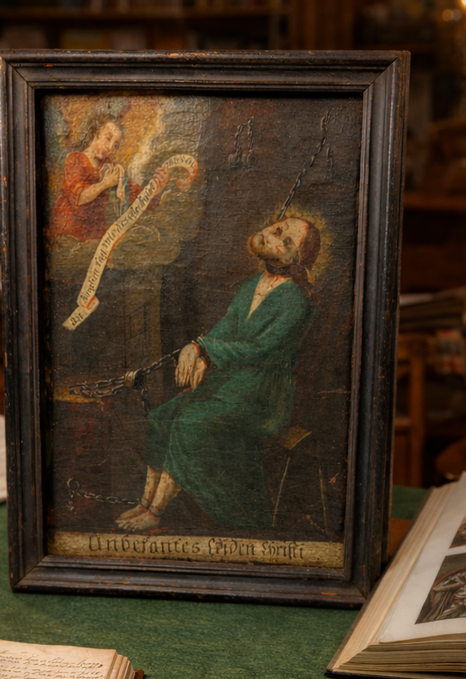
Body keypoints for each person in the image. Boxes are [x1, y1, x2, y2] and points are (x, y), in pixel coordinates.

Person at [116, 216, 321, 532]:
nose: (271, 233)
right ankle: (143, 503)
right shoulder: (252, 285)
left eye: (284, 237)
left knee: (188, 423)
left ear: (293, 258)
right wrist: (199, 350)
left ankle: (155, 513)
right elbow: (226, 328)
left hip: (261, 392)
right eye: (276, 226)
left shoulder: (295, 299)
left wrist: (208, 350)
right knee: (161, 417)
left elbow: (261, 349)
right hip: (232, 380)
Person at [49, 117, 167, 242]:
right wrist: (105, 183)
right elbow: (78, 198)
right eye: (108, 138)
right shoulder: (75, 159)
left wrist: (156, 189)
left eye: (115, 145)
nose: (111, 148)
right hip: (70, 231)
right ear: (95, 134)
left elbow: (132, 195)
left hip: (95, 234)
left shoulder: (111, 168)